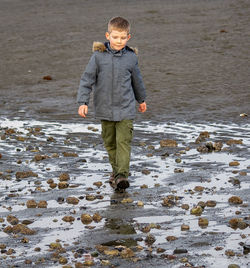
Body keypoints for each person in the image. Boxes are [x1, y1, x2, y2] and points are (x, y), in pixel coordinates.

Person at [77, 16, 147, 191]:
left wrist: (141, 99)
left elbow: (137, 81)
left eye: (123, 38)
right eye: (115, 37)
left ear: (128, 37)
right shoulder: (98, 57)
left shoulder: (131, 57)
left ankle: (122, 175)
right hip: (104, 108)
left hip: (126, 108)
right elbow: (87, 80)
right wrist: (83, 101)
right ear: (108, 36)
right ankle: (116, 173)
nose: (119, 41)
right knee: (110, 142)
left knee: (123, 142)